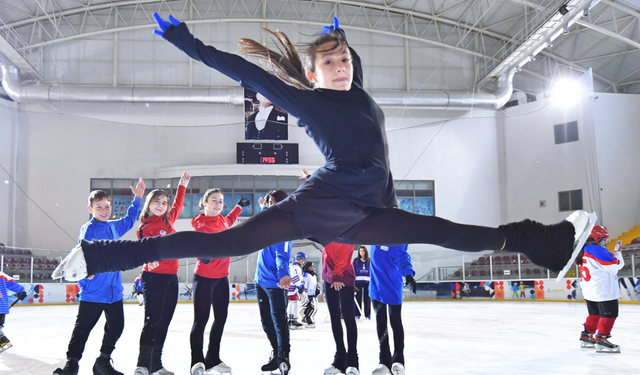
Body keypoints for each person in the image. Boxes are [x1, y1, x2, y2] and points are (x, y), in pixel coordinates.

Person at [54, 15, 593, 332]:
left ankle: (541, 243)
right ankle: (103, 256)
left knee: (439, 229)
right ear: (313, 74)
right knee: (231, 245)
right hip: (320, 203)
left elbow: (368, 123)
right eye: (330, 63)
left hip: (365, 214)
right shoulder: (310, 101)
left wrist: (341, 43)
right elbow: (242, 69)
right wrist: (187, 43)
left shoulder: (362, 96)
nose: (342, 67)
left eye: (345, 60)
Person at [54, 179, 145, 375]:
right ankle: (72, 365)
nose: (104, 210)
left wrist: (137, 198)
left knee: (117, 326)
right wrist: (84, 281)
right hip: (93, 292)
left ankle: (102, 362)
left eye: (107, 206)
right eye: (99, 207)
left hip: (114, 293)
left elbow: (129, 220)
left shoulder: (112, 227)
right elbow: (79, 256)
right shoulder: (89, 229)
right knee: (82, 330)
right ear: (90, 208)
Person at [189, 188, 250, 375]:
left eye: (221, 201)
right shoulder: (201, 222)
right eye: (214, 200)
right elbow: (199, 236)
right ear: (205, 202)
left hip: (222, 278)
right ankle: (197, 361)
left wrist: (239, 207)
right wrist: (202, 251)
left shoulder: (221, 220)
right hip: (204, 278)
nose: (218, 204)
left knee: (221, 318)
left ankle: (213, 358)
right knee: (201, 320)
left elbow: (229, 221)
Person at [134, 172, 190, 375]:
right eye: (157, 202)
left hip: (171, 279)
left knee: (164, 322)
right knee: (152, 321)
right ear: (149, 204)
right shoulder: (145, 227)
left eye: (164, 203)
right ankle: (142, 364)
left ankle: (156, 364)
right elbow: (143, 247)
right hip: (153, 279)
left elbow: (178, 205)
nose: (161, 205)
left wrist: (182, 184)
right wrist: (150, 258)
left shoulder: (168, 221)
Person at [254, 189, 293, 374]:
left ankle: (284, 355)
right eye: (269, 203)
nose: (271, 206)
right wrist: (263, 206)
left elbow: (282, 254)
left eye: (274, 203)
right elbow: (264, 214)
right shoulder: (267, 219)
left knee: (279, 321)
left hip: (275, 283)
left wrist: (283, 274)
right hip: (260, 280)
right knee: (266, 322)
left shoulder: (285, 226)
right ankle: (277, 353)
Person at [369, 245, 416, 375]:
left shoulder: (395, 234)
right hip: (376, 285)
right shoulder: (373, 234)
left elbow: (402, 255)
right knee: (381, 322)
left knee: (395, 321)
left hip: (392, 284)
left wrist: (408, 273)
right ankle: (384, 361)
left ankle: (398, 360)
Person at [576, 225, 624, 353]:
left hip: (590, 289)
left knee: (595, 314)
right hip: (603, 289)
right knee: (609, 314)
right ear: (597, 237)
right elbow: (615, 266)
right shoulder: (596, 249)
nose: (604, 242)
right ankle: (601, 339)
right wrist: (618, 253)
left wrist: (611, 255)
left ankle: (586, 336)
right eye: (604, 239)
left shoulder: (584, 249)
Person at [322, 243, 359, 375]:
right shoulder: (323, 227)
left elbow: (345, 249)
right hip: (328, 275)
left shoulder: (344, 225)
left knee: (348, 316)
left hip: (344, 275)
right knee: (334, 317)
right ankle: (340, 360)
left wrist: (337, 274)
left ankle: (353, 361)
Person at [0, 272, 27, 353]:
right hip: (2, 306)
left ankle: (3, 342)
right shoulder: (2, 275)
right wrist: (21, 291)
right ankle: (3, 342)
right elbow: (12, 283)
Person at [287, 252, 306, 330]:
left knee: (292, 303)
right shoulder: (294, 266)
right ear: (298, 258)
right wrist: (299, 286)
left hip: (291, 288)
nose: (303, 261)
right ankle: (293, 320)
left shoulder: (295, 266)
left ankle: (291, 319)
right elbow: (295, 277)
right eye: (302, 259)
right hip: (292, 288)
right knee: (295, 303)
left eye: (304, 260)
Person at [353, 246, 371, 320]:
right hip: (358, 282)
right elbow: (352, 271)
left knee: (367, 298)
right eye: (360, 251)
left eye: (363, 251)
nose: (361, 253)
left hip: (367, 282)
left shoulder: (369, 261)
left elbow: (372, 271)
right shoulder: (355, 260)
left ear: (365, 252)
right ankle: (357, 314)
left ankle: (368, 314)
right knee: (358, 298)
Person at [301, 261, 319, 328]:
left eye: (313, 267)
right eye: (310, 267)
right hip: (308, 294)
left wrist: (317, 289)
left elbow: (314, 284)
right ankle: (308, 319)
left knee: (314, 307)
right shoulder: (306, 275)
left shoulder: (314, 275)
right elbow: (303, 283)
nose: (312, 268)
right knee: (312, 308)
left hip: (313, 293)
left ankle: (306, 318)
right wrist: (304, 293)